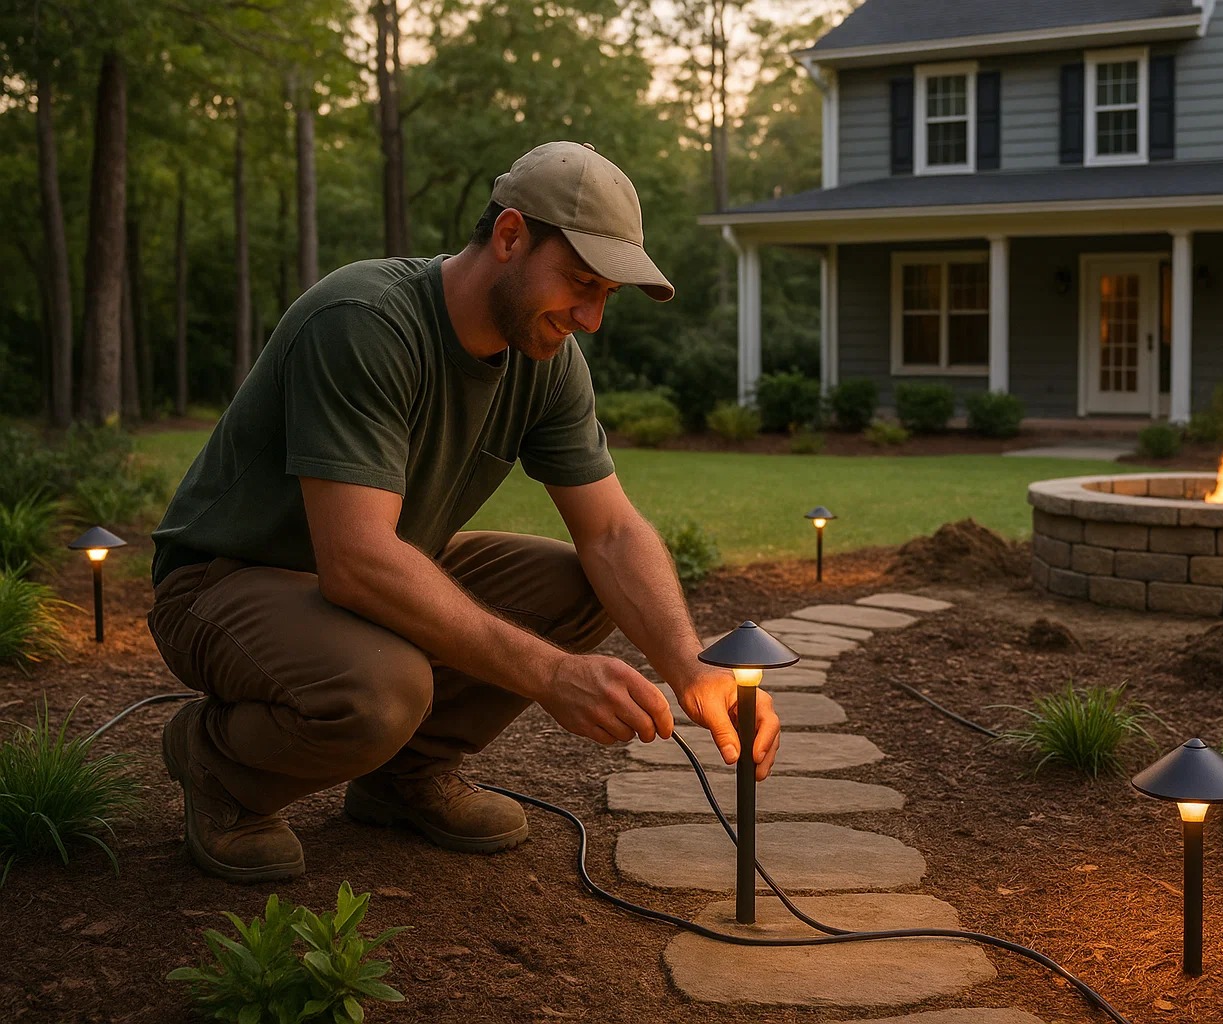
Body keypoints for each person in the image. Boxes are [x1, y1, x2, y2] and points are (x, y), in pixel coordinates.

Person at [147, 141, 781, 883]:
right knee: (381, 689)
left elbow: (611, 532)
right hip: (226, 584)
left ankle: (399, 779)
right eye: (580, 282)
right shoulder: (365, 322)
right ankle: (219, 766)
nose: (591, 318)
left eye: (607, 295)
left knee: (580, 585)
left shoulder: (546, 362)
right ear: (510, 236)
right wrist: (552, 676)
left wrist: (691, 668)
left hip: (368, 578)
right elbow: (355, 564)